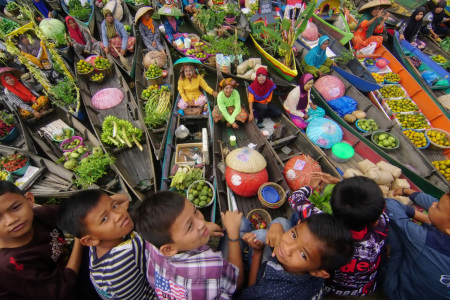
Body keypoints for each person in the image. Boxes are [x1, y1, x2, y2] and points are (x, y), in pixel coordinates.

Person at [279, 174, 388, 297]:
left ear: (332, 207)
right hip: (365, 287)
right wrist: (339, 182)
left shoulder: (324, 229)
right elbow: (379, 205)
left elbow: (295, 197)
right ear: (374, 221)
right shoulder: (383, 223)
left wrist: (312, 186)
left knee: (296, 219)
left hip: (331, 286)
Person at [131, 191, 244, 299]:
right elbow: (238, 283)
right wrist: (233, 234)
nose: (201, 224)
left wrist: (200, 231)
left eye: (195, 212)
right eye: (190, 226)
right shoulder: (211, 265)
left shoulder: (151, 246)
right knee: (244, 225)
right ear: (169, 249)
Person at [57, 190, 156, 299]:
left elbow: (123, 199)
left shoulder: (96, 246)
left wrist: (102, 206)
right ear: (90, 241)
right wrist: (109, 205)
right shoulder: (127, 254)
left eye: (114, 207)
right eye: (104, 219)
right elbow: (125, 198)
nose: (118, 215)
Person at [0, 180, 84, 299]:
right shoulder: (9, 264)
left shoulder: (41, 215)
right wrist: (79, 237)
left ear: (29, 200)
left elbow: (79, 212)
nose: (11, 220)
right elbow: (61, 291)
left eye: (15, 207)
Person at [239, 214, 354, 299]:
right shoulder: (318, 264)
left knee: (261, 235)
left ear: (319, 273)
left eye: (303, 255)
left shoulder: (273, 292)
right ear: (299, 223)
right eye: (294, 234)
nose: (287, 248)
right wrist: (277, 225)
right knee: (280, 223)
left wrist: (258, 253)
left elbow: (248, 295)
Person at [383, 188, 450, 299]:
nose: (433, 203)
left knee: (395, 229)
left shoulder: (427, 241)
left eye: (437, 207)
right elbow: (436, 204)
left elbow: (389, 205)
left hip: (400, 294)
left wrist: (413, 213)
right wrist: (407, 191)